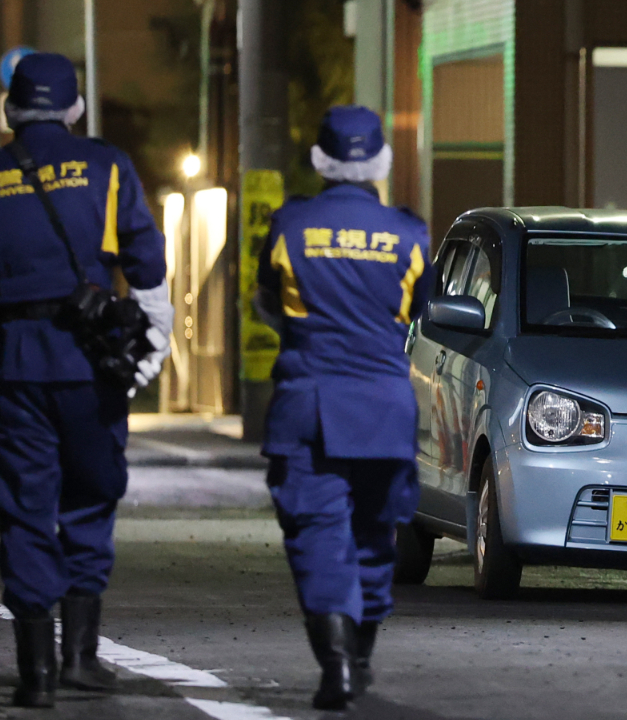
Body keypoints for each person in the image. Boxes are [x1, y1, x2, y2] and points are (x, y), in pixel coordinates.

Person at [0, 53, 172, 707]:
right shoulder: (107, 167)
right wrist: (152, 351)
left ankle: (34, 674)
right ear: (75, 108)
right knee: (90, 495)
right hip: (92, 362)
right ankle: (80, 660)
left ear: (9, 109)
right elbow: (146, 262)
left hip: (15, 365)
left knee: (23, 505)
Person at [255, 105, 432, 711]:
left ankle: (336, 666)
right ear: (382, 160)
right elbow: (417, 313)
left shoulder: (290, 225)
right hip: (383, 409)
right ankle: (359, 657)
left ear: (319, 160)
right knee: (375, 534)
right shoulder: (410, 235)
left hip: (308, 403)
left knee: (318, 532)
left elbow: (267, 301)